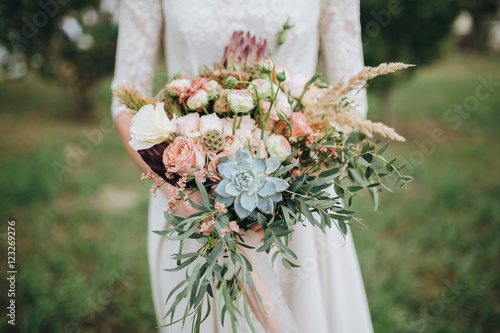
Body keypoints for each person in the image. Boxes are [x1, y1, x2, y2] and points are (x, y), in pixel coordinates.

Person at [111, 0, 373, 332]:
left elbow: (352, 103)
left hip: (297, 209)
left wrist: (290, 188)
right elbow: (124, 101)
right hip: (191, 208)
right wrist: (186, 198)